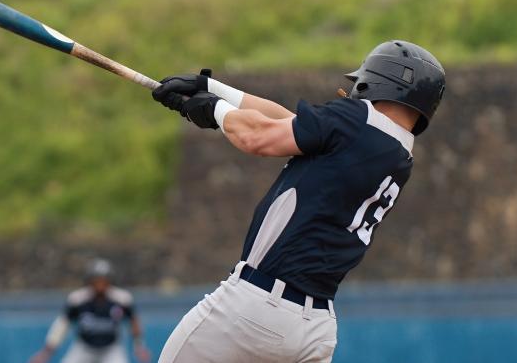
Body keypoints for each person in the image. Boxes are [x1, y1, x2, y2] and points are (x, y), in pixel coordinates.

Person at [150, 40, 446, 362]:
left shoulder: (355, 121)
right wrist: (212, 88)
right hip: (315, 330)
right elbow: (289, 122)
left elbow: (257, 136)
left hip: (254, 308)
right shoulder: (398, 153)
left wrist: (212, 109)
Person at [29, 258, 152, 363]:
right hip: (84, 346)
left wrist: (139, 346)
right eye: (96, 280)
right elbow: (63, 325)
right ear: (89, 281)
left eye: (104, 280)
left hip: (111, 347)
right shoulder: (78, 299)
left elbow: (133, 321)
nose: (100, 284)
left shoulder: (121, 299)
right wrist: (47, 351)